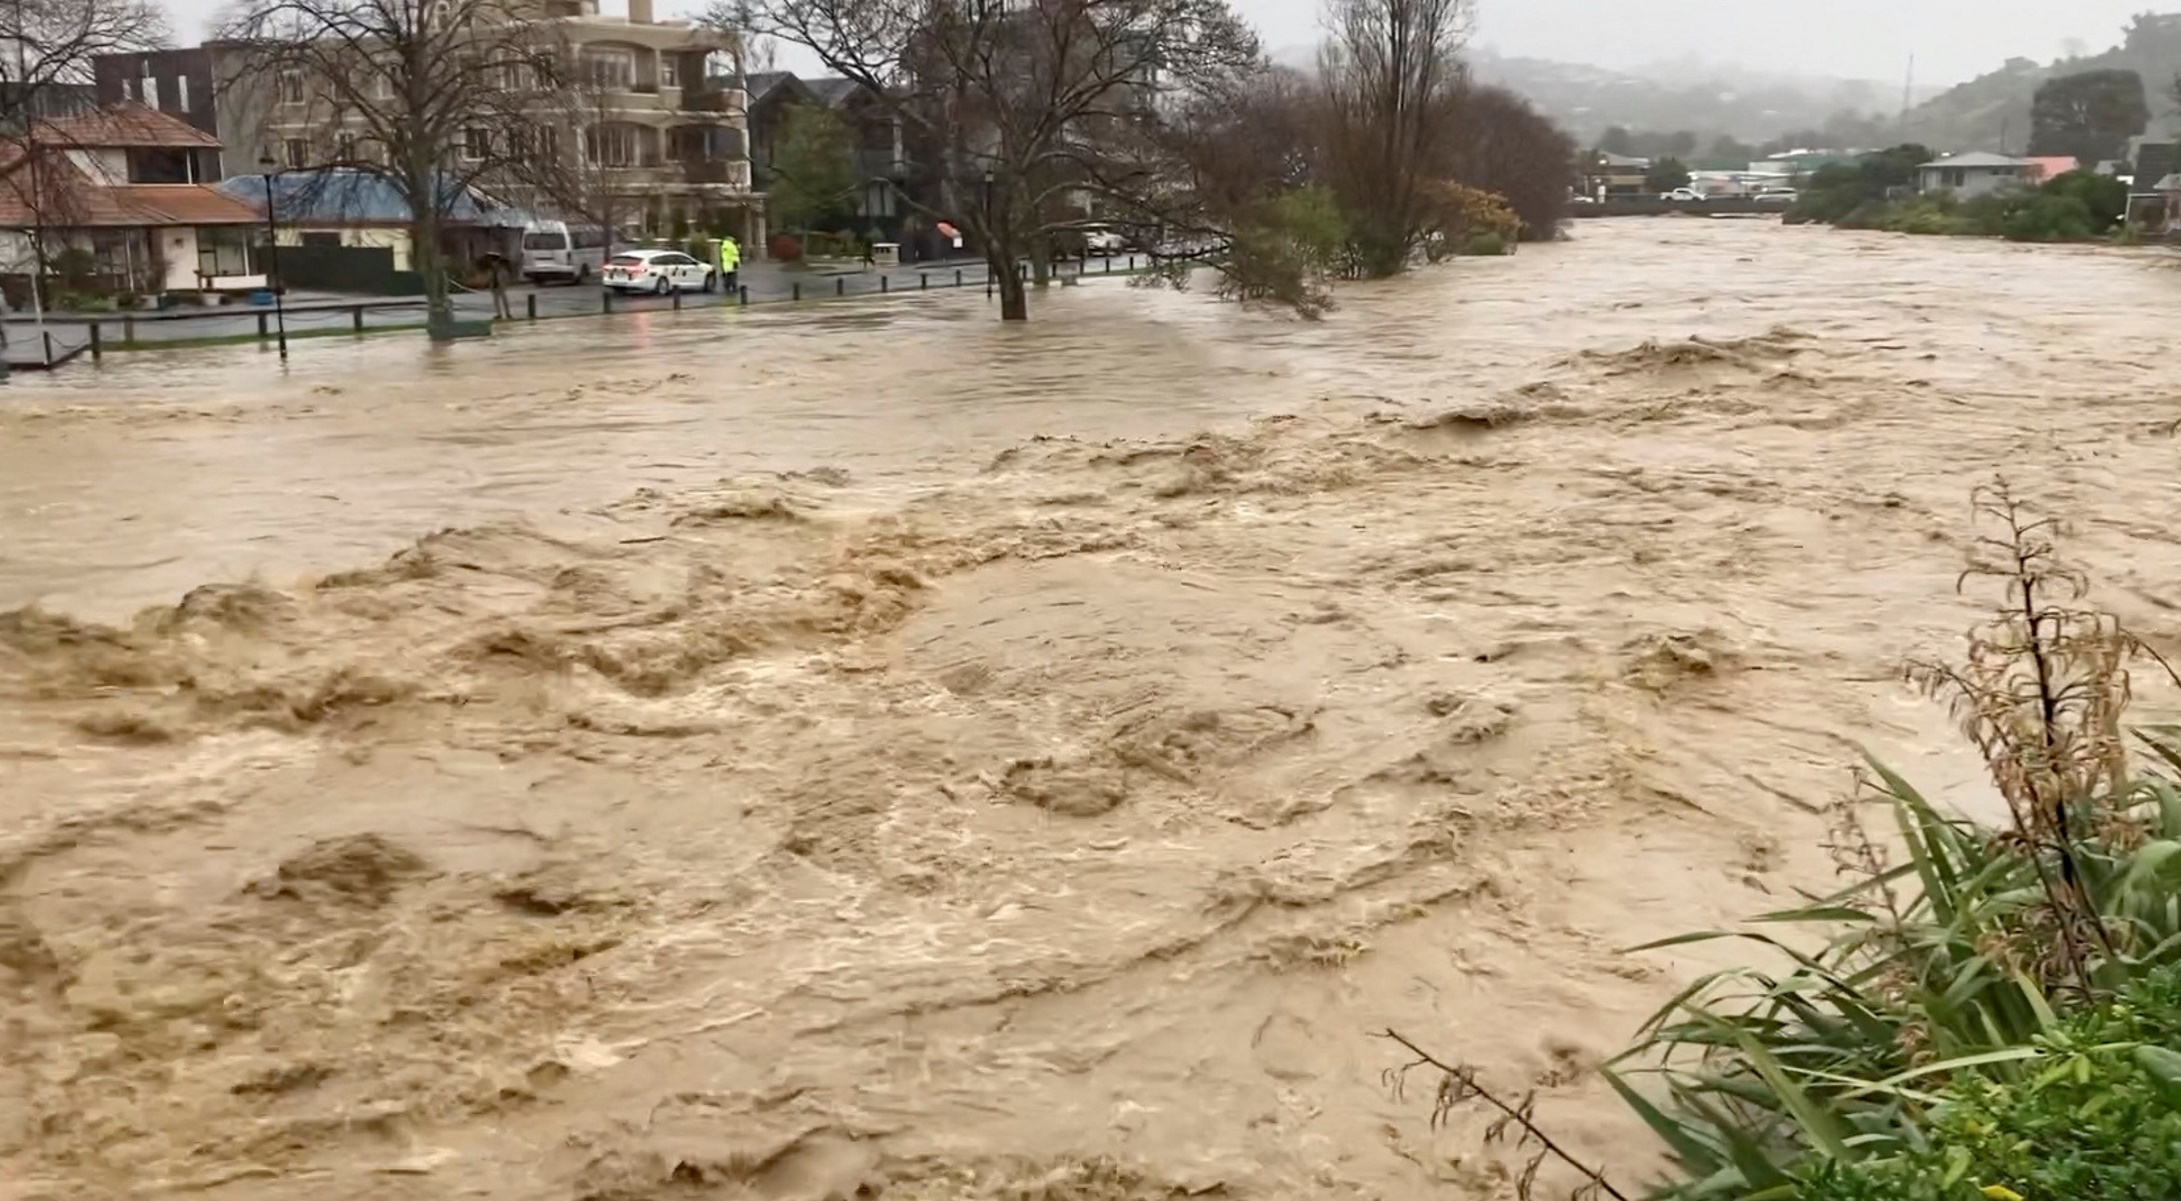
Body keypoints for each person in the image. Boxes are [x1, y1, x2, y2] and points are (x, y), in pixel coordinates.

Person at [480, 251, 513, 320]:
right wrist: (489, 284)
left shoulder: (502, 269)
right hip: (494, 286)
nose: (492, 263)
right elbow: (490, 277)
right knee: (496, 301)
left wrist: (504, 283)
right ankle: (499, 314)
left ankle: (508, 313)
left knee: (504, 300)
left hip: (501, 286)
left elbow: (505, 276)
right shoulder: (491, 269)